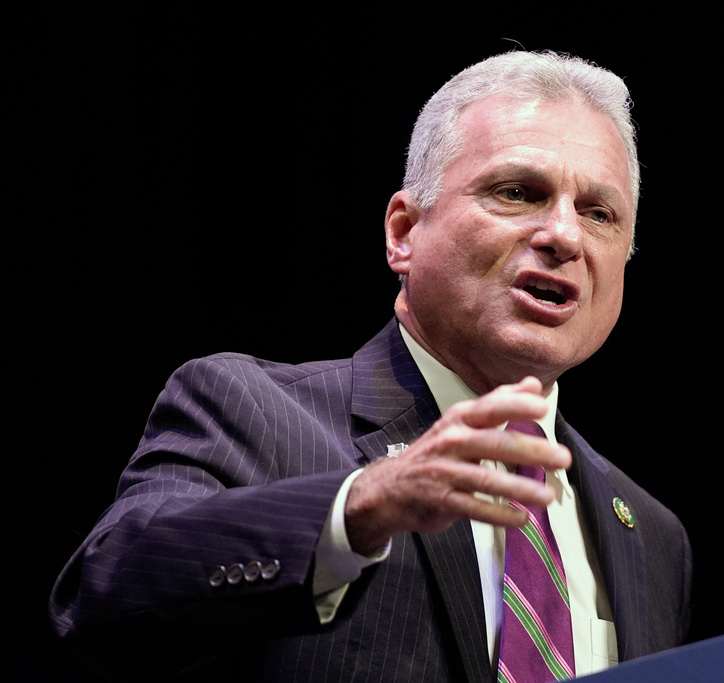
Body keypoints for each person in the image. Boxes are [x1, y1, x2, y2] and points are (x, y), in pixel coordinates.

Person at [50, 50, 691, 682]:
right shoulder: (250, 411)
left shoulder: (651, 534)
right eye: (519, 192)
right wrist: (355, 509)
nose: (565, 236)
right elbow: (104, 599)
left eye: (599, 213)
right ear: (404, 232)